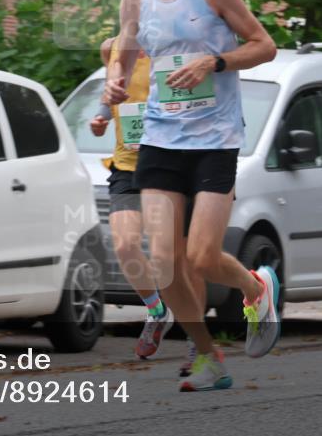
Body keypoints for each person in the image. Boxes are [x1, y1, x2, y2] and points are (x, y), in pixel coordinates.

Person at [105, 0, 280, 392]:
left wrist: (214, 61)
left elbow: (264, 45)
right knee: (163, 263)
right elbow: (125, 49)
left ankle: (255, 288)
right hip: (161, 136)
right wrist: (117, 78)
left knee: (202, 257)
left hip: (214, 137)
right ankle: (208, 357)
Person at [90, 36, 246, 376]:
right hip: (128, 164)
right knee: (125, 244)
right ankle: (156, 309)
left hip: (174, 161)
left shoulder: (181, 47)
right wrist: (101, 117)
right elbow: (113, 91)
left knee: (188, 261)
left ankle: (196, 342)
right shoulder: (112, 48)